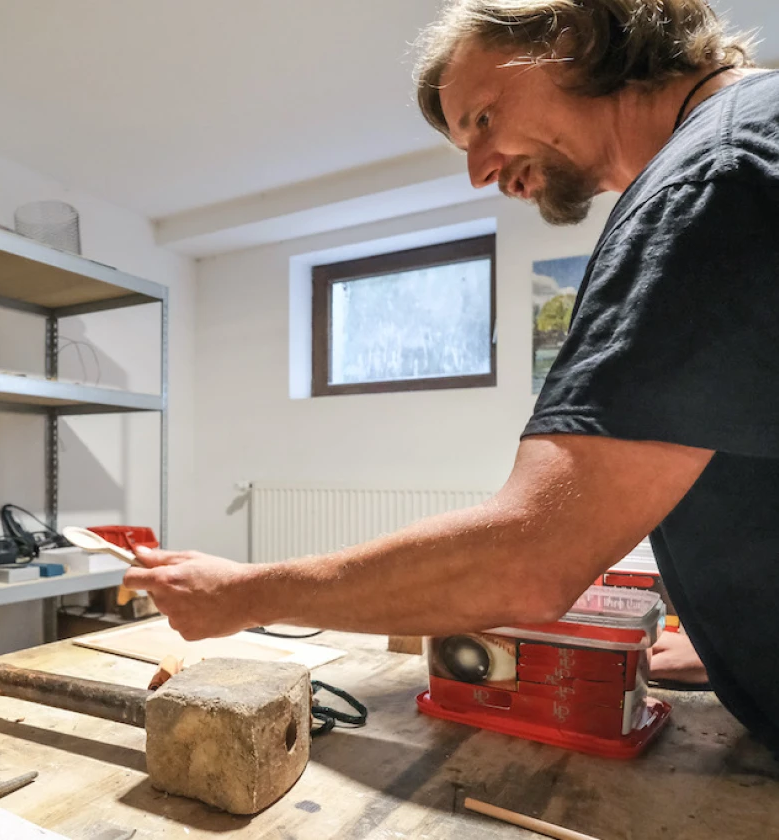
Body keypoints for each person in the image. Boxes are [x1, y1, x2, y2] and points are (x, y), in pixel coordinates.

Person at [125, 0, 779, 749]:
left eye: (482, 119)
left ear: (570, 37)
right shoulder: (753, 139)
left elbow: (528, 561)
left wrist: (240, 594)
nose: (478, 170)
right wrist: (725, 647)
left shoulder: (707, 182)